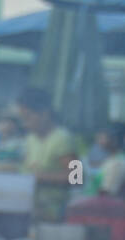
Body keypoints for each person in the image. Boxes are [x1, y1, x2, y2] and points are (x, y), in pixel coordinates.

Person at [16, 86, 79, 224]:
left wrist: (37, 177)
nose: (25, 124)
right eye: (22, 118)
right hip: (33, 211)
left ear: (44, 113)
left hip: (55, 214)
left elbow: (77, 177)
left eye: (28, 117)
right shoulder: (31, 139)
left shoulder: (62, 139)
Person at [94, 123, 125, 201]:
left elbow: (108, 193)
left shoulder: (118, 163)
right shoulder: (112, 159)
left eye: (102, 137)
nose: (99, 141)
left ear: (114, 140)